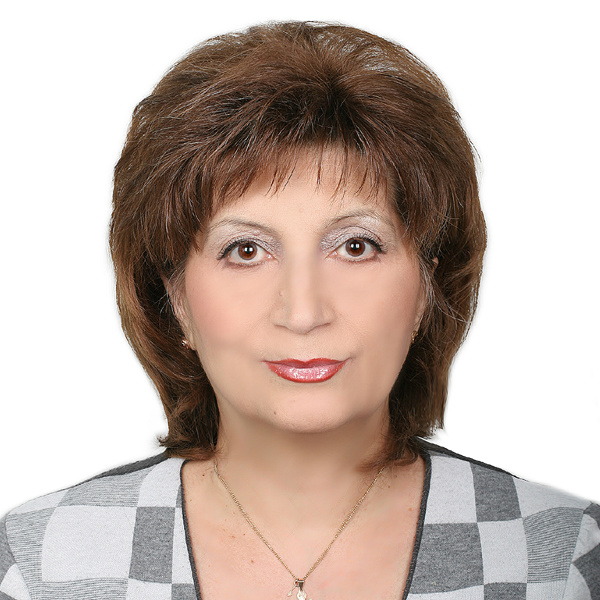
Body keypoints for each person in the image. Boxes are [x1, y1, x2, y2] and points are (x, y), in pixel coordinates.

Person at [1, 20, 598, 600]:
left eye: (356, 246)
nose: (304, 312)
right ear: (175, 298)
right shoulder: (43, 561)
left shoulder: (562, 558)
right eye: (246, 250)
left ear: (427, 287)